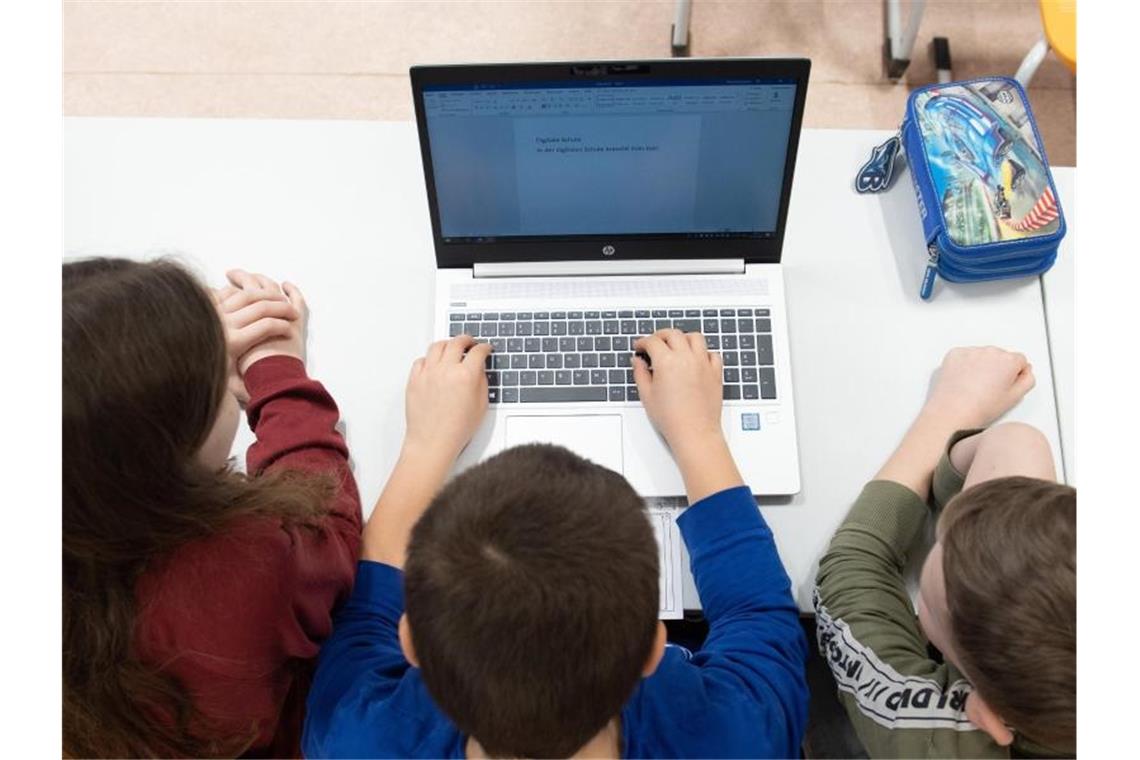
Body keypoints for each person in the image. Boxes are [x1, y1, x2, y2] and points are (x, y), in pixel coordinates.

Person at [303, 330, 809, 758]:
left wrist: (425, 445)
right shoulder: (742, 738)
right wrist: (699, 435)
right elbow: (759, 616)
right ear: (654, 648)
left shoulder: (354, 736)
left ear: (410, 641)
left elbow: (367, 614)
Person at [63, 258, 362, 757]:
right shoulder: (245, 565)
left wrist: (169, 347)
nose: (227, 380)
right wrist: (276, 369)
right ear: (171, 446)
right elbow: (328, 522)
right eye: (217, 381)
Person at [814, 346, 1076, 757]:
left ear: (987, 713)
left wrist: (954, 411)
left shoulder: (941, 738)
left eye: (930, 610)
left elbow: (854, 567)